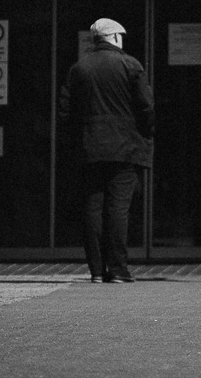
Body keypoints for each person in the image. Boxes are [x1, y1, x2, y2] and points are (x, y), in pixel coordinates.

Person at [58, 17, 152, 284]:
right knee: (118, 207)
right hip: (125, 147)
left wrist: (76, 139)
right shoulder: (129, 64)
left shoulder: (79, 68)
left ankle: (97, 270)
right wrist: (145, 133)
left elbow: (66, 111)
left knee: (92, 207)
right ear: (115, 37)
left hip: (89, 148)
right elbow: (146, 107)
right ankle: (119, 269)